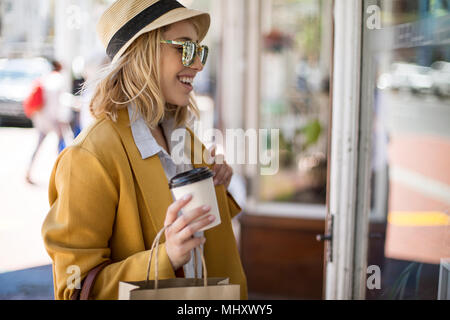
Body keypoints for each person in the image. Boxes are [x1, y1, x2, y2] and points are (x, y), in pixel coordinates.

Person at [41, 0, 248, 300]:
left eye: (200, 50)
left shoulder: (183, 137)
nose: (199, 64)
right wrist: (166, 258)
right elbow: (73, 287)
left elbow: (204, 244)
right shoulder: (88, 157)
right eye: (185, 48)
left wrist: (218, 188)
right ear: (144, 52)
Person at [26, 59, 72, 184]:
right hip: (53, 118)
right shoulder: (58, 79)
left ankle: (28, 171)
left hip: (40, 117)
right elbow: (59, 102)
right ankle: (60, 174)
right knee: (61, 146)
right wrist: (63, 119)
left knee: (38, 144)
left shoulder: (45, 78)